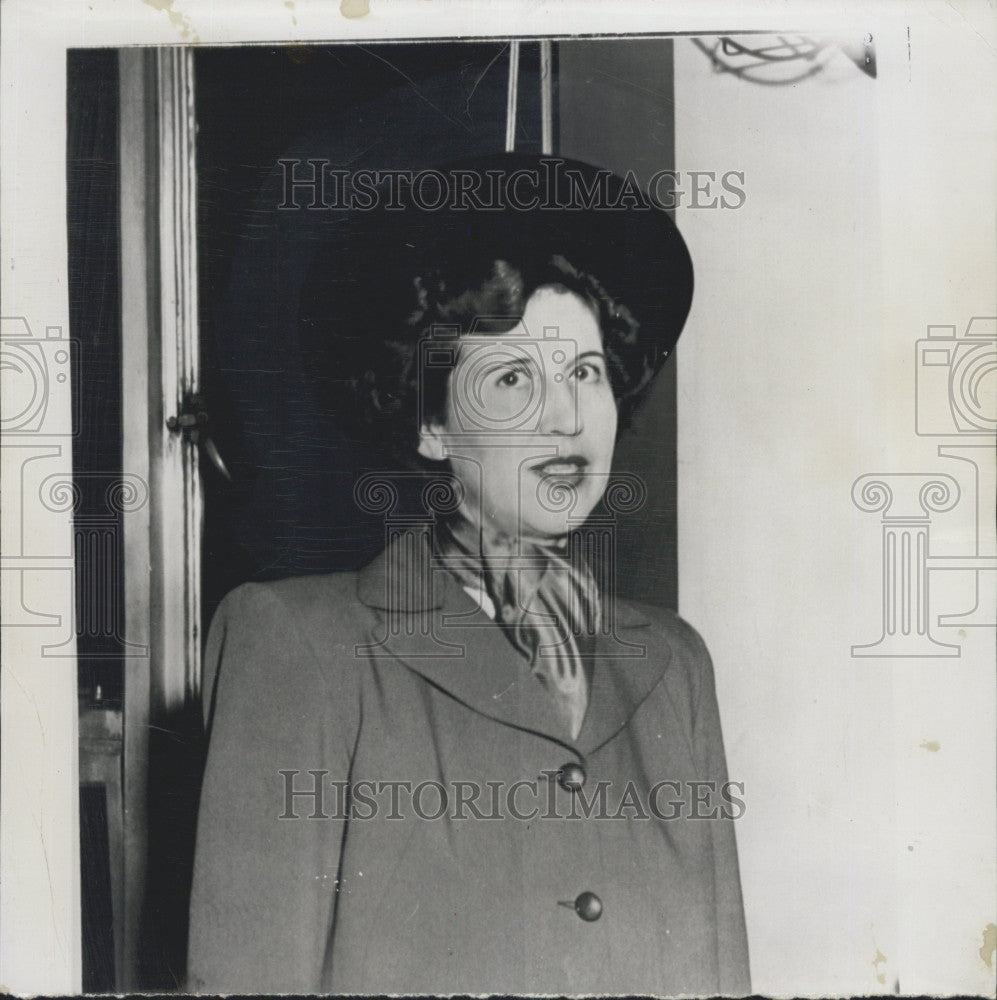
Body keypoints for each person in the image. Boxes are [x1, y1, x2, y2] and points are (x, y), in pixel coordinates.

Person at [187, 153, 750, 995]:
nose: (566, 416)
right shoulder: (298, 643)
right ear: (433, 427)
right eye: (515, 377)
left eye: (585, 373)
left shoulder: (672, 660)